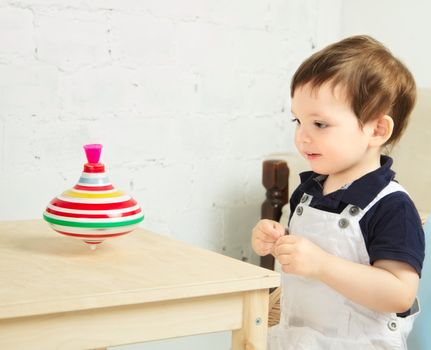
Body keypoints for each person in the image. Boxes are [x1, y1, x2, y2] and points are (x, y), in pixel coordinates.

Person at [252, 35, 425, 349]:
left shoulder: (391, 206)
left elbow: (399, 293)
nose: (301, 137)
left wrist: (321, 265)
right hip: (299, 337)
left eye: (319, 124)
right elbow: (302, 254)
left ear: (377, 130)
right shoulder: (308, 191)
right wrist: (274, 238)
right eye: (298, 121)